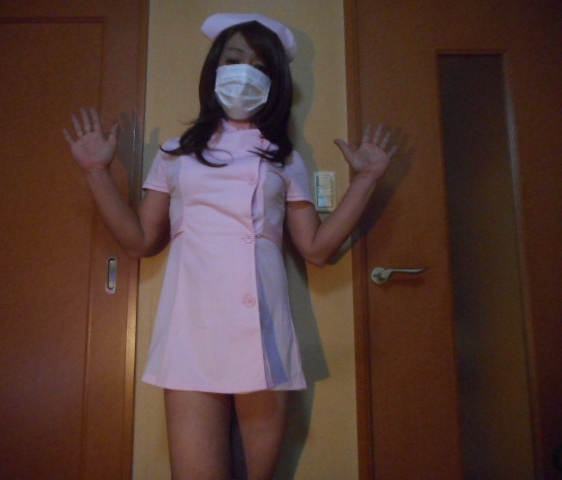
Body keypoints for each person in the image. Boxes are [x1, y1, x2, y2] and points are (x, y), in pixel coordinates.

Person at [64, 12, 396, 480]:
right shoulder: (176, 153)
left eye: (259, 66)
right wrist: (97, 173)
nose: (244, 74)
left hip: (264, 331)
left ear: (275, 82)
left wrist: (365, 181)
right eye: (234, 60)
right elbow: (140, 241)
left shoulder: (285, 159)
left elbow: (317, 249)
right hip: (191, 328)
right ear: (214, 68)